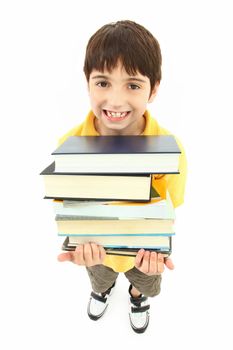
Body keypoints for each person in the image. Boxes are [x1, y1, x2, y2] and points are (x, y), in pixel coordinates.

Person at [57, 20, 187, 334]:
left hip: (145, 251)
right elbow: (70, 208)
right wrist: (77, 247)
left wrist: (156, 249)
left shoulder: (171, 151)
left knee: (146, 282)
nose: (115, 101)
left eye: (132, 85)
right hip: (97, 250)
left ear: (153, 89)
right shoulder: (68, 148)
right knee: (99, 276)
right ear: (87, 83)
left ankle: (136, 295)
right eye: (103, 83)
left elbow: (172, 206)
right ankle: (103, 290)